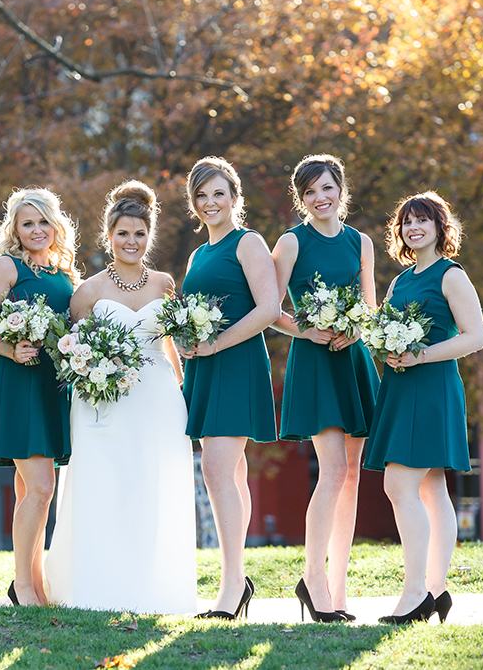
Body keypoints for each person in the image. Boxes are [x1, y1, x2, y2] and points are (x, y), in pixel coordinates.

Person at [45, 181, 197, 614]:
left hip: (159, 399)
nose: (132, 242)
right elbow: (72, 352)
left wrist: (184, 391)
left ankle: (156, 588)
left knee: (154, 487)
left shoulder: (166, 284)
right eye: (123, 234)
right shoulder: (88, 292)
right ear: (108, 236)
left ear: (149, 237)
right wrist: (94, 378)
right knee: (104, 489)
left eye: (140, 234)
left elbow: (173, 345)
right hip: (103, 404)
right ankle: (98, 588)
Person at [364, 191, 483, 624]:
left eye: (422, 221)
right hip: (400, 387)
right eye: (406, 223)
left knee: (399, 487)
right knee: (431, 488)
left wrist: (419, 355)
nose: (413, 228)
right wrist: (386, 347)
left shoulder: (451, 275)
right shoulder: (400, 281)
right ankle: (437, 589)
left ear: (439, 226)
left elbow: (474, 336)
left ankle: (416, 593)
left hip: (432, 387)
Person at [271, 154, 380, 622]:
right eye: (310, 191)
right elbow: (269, 310)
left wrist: (356, 327)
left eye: (327, 188)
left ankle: (338, 588)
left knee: (352, 475)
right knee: (332, 471)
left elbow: (371, 306)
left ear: (341, 190)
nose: (320, 198)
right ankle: (312, 580)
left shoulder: (361, 242)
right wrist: (308, 332)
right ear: (302, 199)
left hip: (352, 359)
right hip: (315, 360)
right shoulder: (291, 243)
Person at [180, 157, 281, 620]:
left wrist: (215, 342)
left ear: (234, 197)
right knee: (231, 474)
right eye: (201, 195)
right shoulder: (198, 254)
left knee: (217, 471)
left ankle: (232, 585)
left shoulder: (249, 242)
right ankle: (236, 583)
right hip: (205, 367)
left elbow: (268, 308)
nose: (210, 202)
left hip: (236, 363)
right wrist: (184, 340)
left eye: (218, 193)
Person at [0, 187, 79, 607]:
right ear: (14, 228)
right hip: (19, 385)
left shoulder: (65, 274)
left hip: (54, 386)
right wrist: (11, 349)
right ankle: (23, 585)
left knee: (29, 489)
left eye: (42, 222)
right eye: (27, 222)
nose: (36, 230)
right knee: (41, 487)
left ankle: (32, 581)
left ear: (56, 225)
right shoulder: (6, 266)